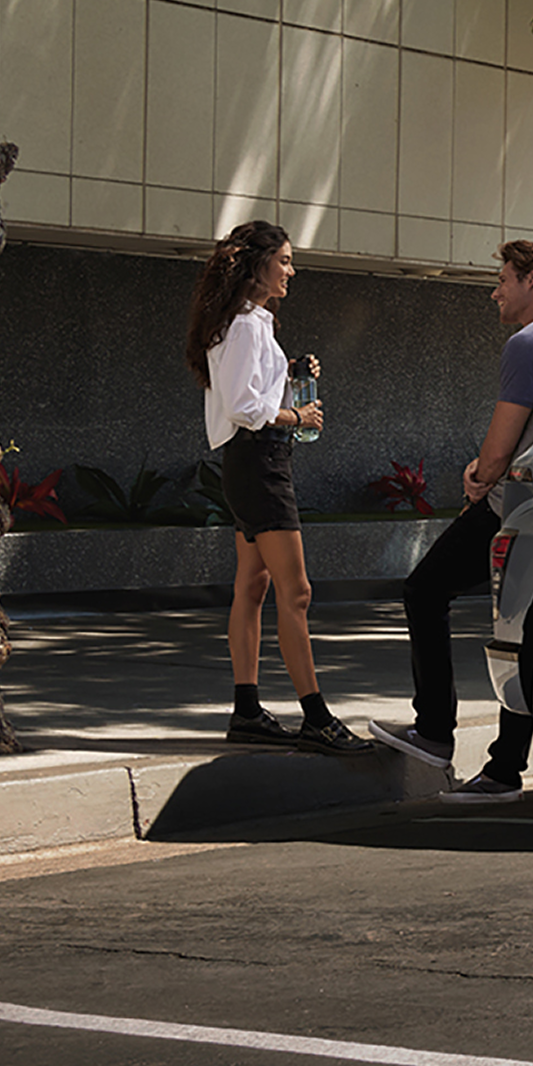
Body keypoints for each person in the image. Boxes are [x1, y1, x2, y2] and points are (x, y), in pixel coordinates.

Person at [369, 240, 533, 801]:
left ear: (529, 280)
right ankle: (502, 771)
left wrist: (478, 474)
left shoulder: (529, 343)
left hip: (517, 508)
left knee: (424, 589)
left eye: (502, 278)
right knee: (520, 629)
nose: (494, 290)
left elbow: (498, 451)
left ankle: (433, 732)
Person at [184, 220, 368, 754]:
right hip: (260, 464)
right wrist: (296, 412)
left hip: (249, 463)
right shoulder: (243, 325)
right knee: (297, 592)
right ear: (256, 264)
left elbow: (247, 391)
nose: (291, 270)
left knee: (254, 586)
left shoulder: (248, 323)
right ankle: (316, 717)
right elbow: (246, 409)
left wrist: (286, 375)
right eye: (284, 260)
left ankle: (247, 712)